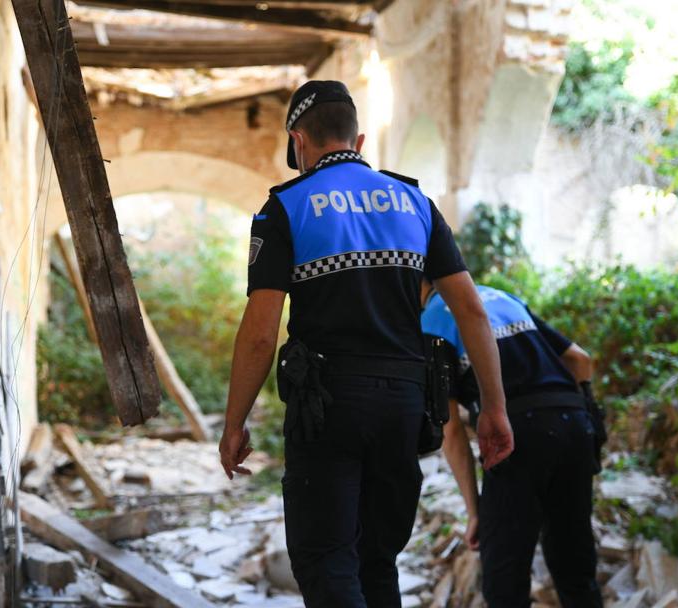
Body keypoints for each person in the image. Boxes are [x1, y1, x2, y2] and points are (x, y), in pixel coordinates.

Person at [218, 80, 514, 608]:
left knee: (327, 559)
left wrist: (234, 422)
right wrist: (494, 407)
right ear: (356, 140)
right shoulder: (414, 202)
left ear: (298, 142)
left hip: (327, 407)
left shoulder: (285, 208)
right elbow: (471, 309)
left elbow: (262, 331)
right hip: (404, 405)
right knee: (376, 562)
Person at [420, 279, 604, 608]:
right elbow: (579, 359)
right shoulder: (501, 297)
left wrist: (475, 512)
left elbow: (450, 430)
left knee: (504, 581)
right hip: (574, 425)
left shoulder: (432, 320)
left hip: (516, 435)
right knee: (576, 566)